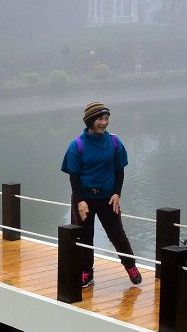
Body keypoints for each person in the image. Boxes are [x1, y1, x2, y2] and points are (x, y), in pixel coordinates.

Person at [61, 102, 143, 287]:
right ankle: (86, 273)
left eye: (106, 119)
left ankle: (131, 267)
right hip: (84, 199)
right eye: (100, 119)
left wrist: (117, 193)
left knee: (117, 235)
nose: (104, 123)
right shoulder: (77, 145)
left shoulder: (114, 142)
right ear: (90, 121)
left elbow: (119, 170)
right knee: (84, 237)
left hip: (108, 198)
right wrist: (80, 200)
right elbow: (74, 176)